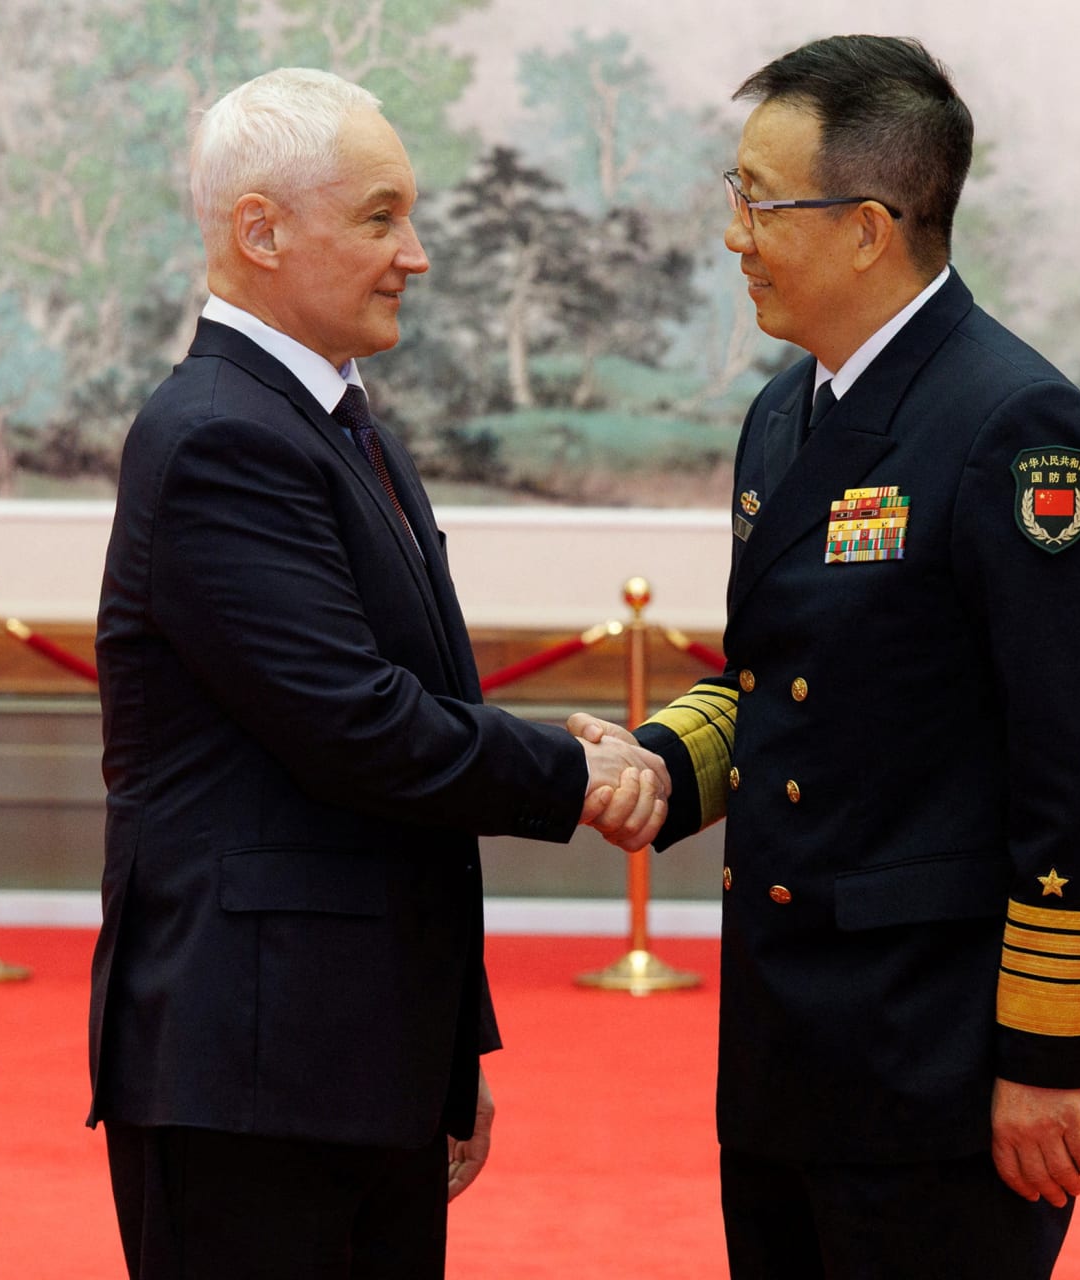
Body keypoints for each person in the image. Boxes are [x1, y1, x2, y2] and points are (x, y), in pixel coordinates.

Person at [573, 35, 1080, 1279]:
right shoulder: (788, 413)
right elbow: (779, 680)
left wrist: (1046, 1058)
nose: (734, 233)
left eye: (758, 200)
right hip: (786, 1047)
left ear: (869, 228)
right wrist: (663, 763)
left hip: (935, 1063)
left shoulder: (1018, 429)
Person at [87, 68, 666, 1280]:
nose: (415, 253)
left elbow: (414, 744)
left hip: (357, 1058)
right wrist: (577, 772)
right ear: (259, 229)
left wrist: (452, 1053)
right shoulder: (217, 437)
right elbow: (354, 723)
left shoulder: (344, 425)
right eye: (379, 216)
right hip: (248, 1070)